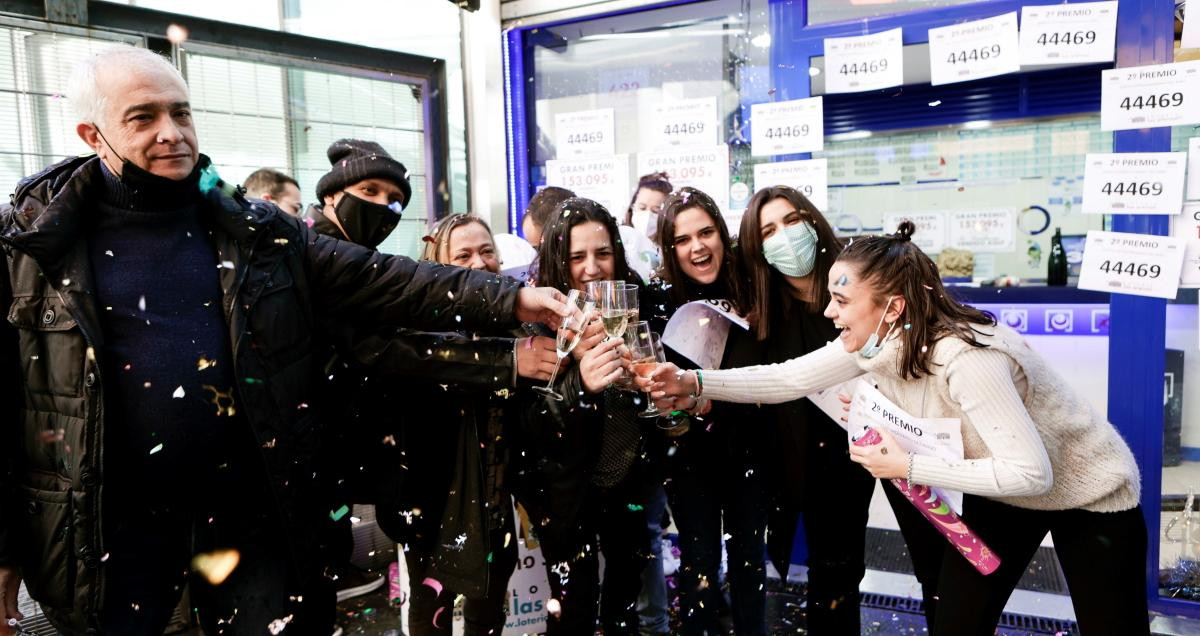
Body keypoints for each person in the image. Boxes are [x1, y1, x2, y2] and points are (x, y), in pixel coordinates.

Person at [0, 45, 569, 636]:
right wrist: (4, 550)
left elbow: (381, 279)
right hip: (110, 532)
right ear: (92, 134)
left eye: (181, 112)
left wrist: (511, 298)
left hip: (256, 519)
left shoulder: (254, 230)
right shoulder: (30, 248)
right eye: (143, 118)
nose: (172, 133)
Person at [646, 220, 1149, 636]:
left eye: (842, 301)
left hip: (1087, 493)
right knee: (958, 622)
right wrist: (693, 381)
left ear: (893, 308)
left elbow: (1031, 473)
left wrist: (906, 465)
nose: (828, 311)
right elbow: (787, 377)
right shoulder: (875, 344)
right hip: (1003, 491)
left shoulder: (967, 359)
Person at [734, 186, 875, 633]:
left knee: (846, 567)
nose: (784, 236)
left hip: (879, 441)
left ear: (812, 221)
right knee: (828, 572)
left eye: (791, 221)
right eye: (768, 231)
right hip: (805, 455)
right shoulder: (764, 309)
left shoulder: (863, 283)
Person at [509, 197, 652, 635]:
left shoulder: (635, 305)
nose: (592, 268)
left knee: (624, 603)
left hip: (626, 479)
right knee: (573, 608)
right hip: (565, 493)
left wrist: (655, 385)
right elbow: (524, 425)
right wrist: (579, 385)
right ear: (556, 258)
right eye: (577, 257)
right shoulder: (533, 319)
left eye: (603, 253)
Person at [650, 187, 769, 635]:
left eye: (706, 232)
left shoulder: (754, 287)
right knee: (698, 559)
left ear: (723, 233)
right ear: (670, 248)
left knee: (748, 560)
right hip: (689, 453)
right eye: (683, 240)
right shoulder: (659, 298)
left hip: (751, 446)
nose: (697, 246)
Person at [304, 139, 410, 248]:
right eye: (369, 190)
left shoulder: (366, 260)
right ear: (330, 195)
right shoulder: (296, 252)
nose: (383, 203)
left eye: (395, 200)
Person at [623, 172, 672, 240]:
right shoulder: (620, 242)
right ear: (632, 207)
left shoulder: (671, 246)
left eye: (655, 211)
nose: (647, 216)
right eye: (642, 208)